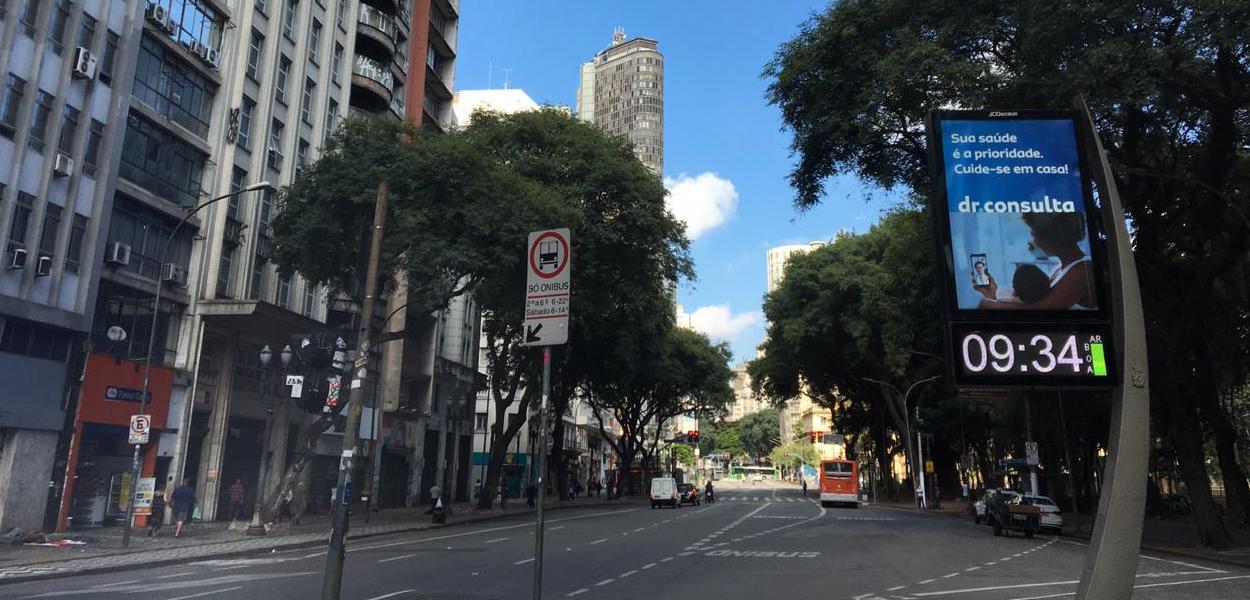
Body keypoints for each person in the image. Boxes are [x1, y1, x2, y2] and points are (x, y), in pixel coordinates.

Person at [975, 213, 1096, 310]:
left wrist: (986, 304)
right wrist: (994, 293)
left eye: (1035, 234)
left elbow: (1041, 309)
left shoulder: (1082, 270)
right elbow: (1029, 304)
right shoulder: (1061, 266)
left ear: (1052, 237)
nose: (1034, 242)